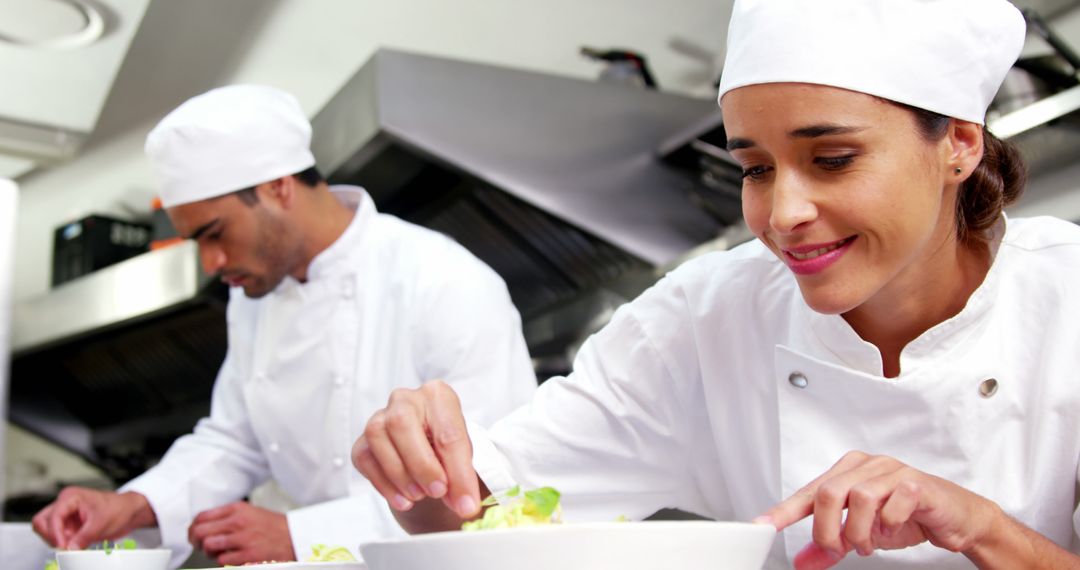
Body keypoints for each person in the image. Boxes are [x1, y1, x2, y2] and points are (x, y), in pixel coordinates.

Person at [350, 1, 1080, 568]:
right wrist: (417, 467)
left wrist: (982, 527)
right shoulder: (700, 322)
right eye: (756, 168)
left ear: (958, 142)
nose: (783, 214)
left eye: (831, 159)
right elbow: (477, 519)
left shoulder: (1067, 302)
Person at [31, 85, 537, 567]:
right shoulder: (253, 296)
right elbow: (236, 440)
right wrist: (135, 504)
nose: (210, 263)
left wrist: (301, 534)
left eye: (214, 233)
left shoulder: (444, 279)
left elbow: (494, 473)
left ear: (277, 186)